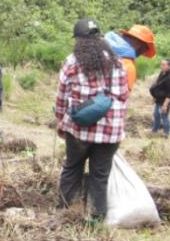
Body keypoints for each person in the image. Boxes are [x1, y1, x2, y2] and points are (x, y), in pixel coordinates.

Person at [54, 18, 130, 226]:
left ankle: (66, 211)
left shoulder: (73, 61)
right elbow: (123, 95)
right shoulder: (117, 62)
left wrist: (61, 120)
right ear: (100, 38)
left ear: (78, 40)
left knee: (72, 168)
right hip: (110, 133)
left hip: (80, 130)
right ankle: (96, 219)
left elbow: (62, 95)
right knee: (100, 175)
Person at [103, 25, 157, 93]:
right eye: (145, 48)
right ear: (137, 43)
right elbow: (122, 97)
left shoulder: (101, 48)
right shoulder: (128, 65)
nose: (143, 52)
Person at [149, 59, 170, 137]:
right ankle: (154, 130)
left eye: (164, 65)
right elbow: (158, 85)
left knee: (164, 116)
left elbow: (169, 94)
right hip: (159, 99)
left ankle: (166, 133)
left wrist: (165, 105)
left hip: (165, 101)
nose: (162, 66)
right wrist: (155, 97)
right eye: (161, 64)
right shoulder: (162, 73)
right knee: (156, 114)